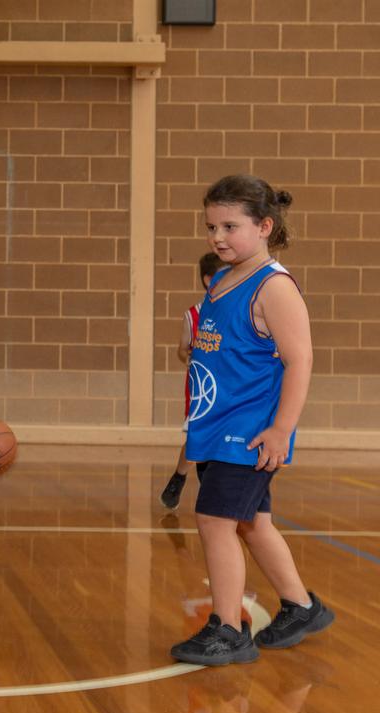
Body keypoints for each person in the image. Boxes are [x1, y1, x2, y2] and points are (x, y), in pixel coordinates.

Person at [169, 174, 333, 666]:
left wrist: (281, 429)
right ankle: (301, 606)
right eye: (211, 226)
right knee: (252, 524)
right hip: (217, 427)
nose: (218, 237)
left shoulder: (274, 286)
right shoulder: (222, 278)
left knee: (214, 521)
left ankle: (227, 629)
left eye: (230, 226)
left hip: (250, 432)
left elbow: (299, 360)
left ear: (265, 226)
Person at [159, 251, 225, 511]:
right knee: (198, 434)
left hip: (231, 385)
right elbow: (181, 349)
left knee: (223, 436)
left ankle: (212, 487)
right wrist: (187, 355)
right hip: (203, 386)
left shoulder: (236, 309)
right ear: (209, 280)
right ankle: (180, 476)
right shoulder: (194, 315)